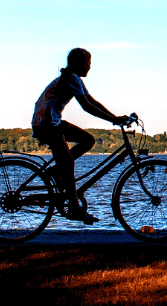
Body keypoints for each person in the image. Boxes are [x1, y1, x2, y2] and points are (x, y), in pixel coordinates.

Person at [32, 48, 130, 223]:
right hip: (46, 123)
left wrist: (115, 118)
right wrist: (113, 120)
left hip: (53, 121)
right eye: (87, 63)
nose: (89, 67)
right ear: (77, 63)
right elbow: (87, 106)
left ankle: (56, 171)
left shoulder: (74, 78)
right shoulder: (70, 77)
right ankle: (74, 206)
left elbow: (92, 100)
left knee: (88, 140)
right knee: (68, 162)